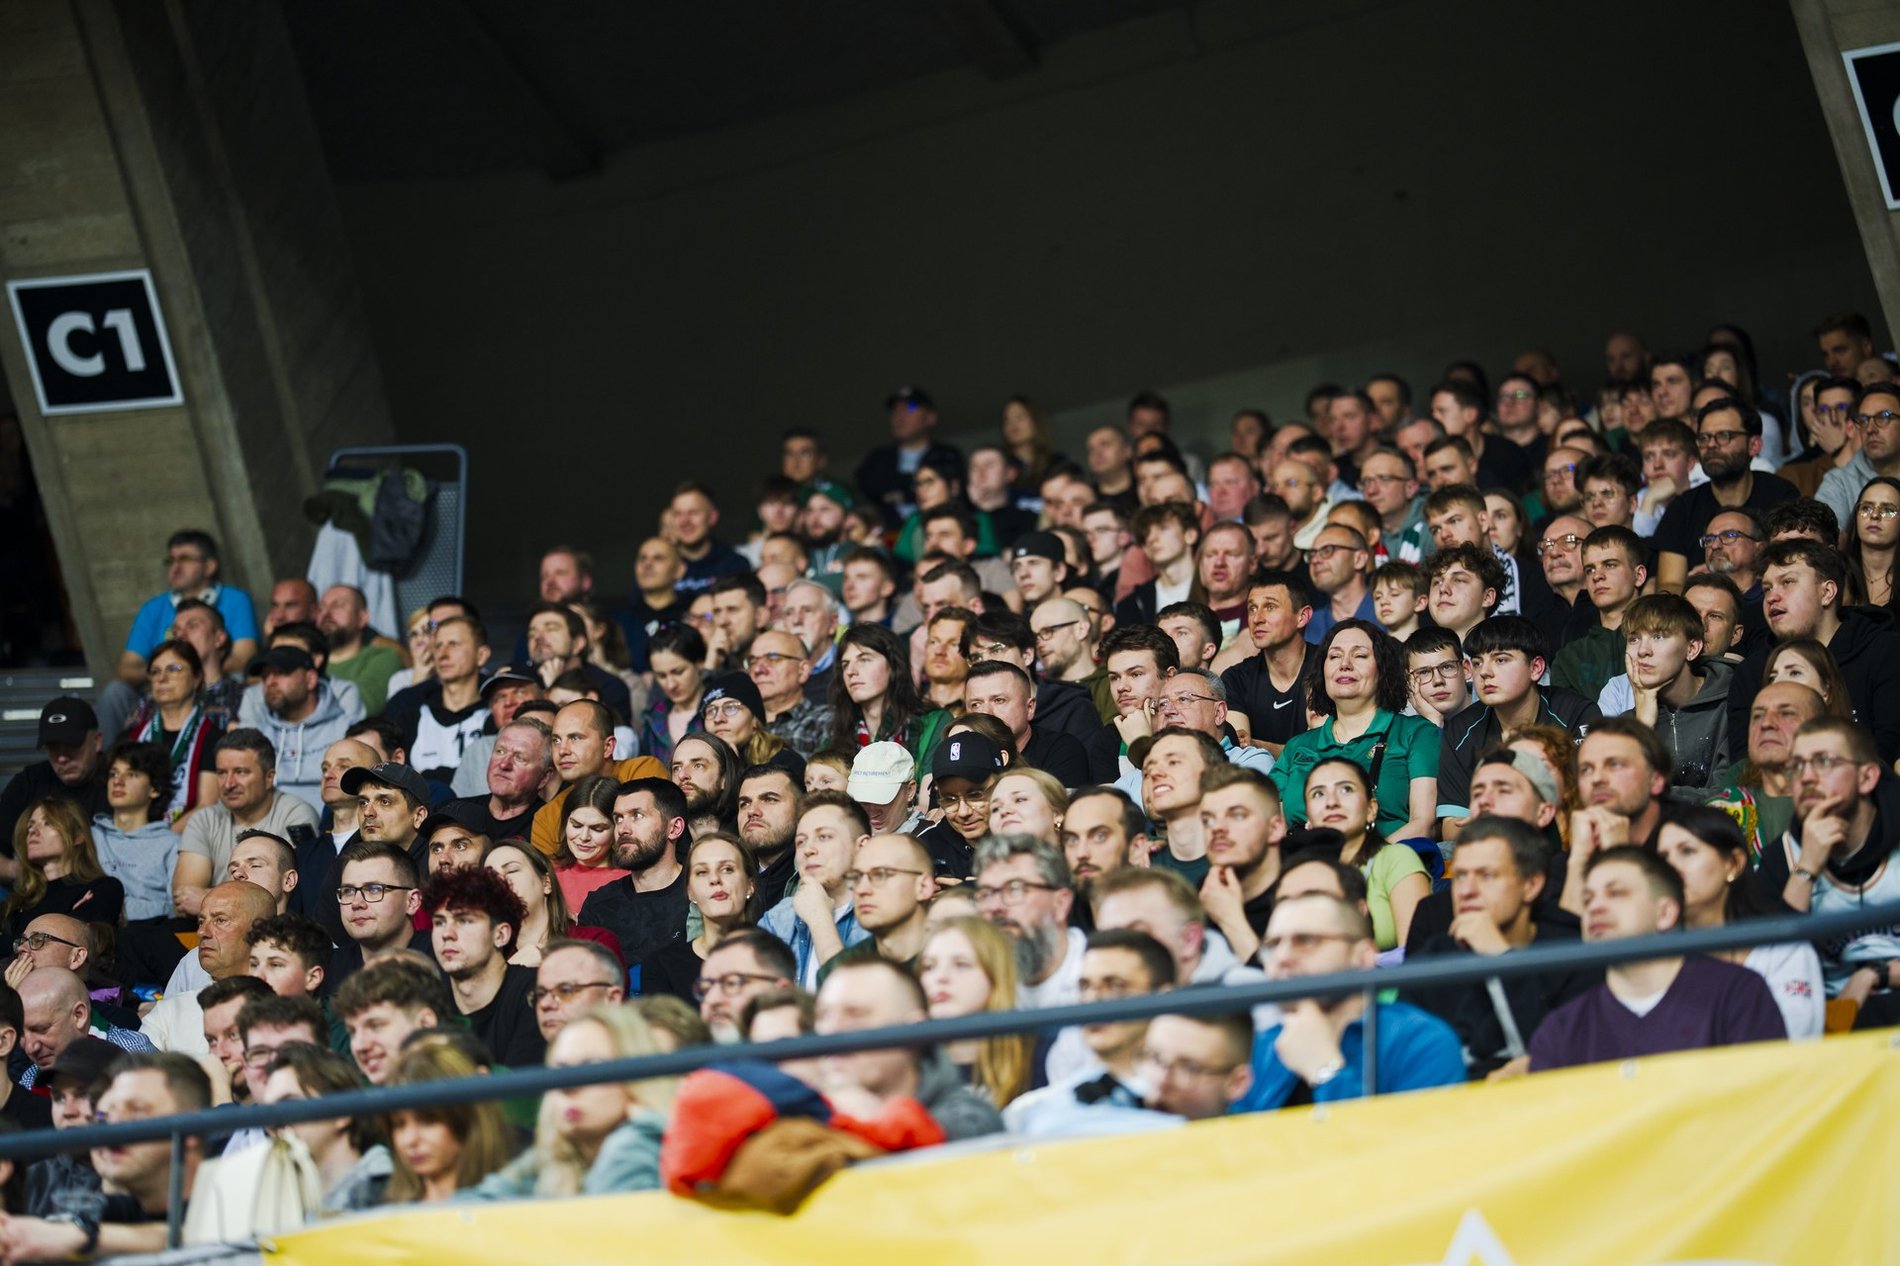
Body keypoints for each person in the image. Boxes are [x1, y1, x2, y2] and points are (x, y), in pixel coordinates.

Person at [1527, 846, 1785, 1070]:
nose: (1595, 907)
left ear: (1665, 913)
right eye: (1587, 899)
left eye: (1616, 893)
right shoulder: (1561, 1030)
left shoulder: (1737, 993)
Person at [1400, 816, 1598, 1076]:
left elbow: (1569, 1058)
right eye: (1460, 876)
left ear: (1531, 885)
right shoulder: (1432, 962)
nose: (1466, 890)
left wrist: (1501, 958)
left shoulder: (1574, 956)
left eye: (1487, 875)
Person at [1235, 893, 1464, 1110]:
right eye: (1272, 945)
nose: (1282, 957)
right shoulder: (1259, 1047)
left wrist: (1325, 1071)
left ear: (1363, 957)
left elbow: (1408, 1138)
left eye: (1306, 940)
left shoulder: (1420, 1042)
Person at [0, 1052, 213, 1262]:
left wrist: (84, 1238)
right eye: (104, 1115)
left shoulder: (225, 1199)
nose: (112, 1126)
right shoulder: (115, 1210)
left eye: (136, 1110)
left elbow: (206, 1235)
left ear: (191, 1129)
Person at [1762, 718, 1900, 1025]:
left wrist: (1874, 974)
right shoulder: (1780, 857)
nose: (1806, 777)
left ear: (1867, 777)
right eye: (1796, 766)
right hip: (1827, 1025)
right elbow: (1774, 969)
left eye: (1823, 761)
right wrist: (1807, 868)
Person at [463, 1006, 676, 1201]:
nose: (568, 1086)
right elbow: (473, 1209)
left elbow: (606, 1222)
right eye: (562, 1070)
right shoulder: (546, 1161)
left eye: (590, 1067)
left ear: (636, 1077)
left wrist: (639, 1132)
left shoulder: (664, 1153)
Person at [1656, 806, 1824, 1039]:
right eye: (1663, 858)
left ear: (1733, 864)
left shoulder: (1782, 950)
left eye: (1687, 851)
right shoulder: (1653, 952)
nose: (1671, 867)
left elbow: (1791, 1041)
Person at [1731, 539, 1900, 763]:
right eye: (1767, 588)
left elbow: (1889, 748)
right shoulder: (1750, 672)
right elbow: (1743, 765)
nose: (1771, 597)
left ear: (1827, 592)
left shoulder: (1884, 650)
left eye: (1788, 582)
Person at [1272, 620, 1437, 843]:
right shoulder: (1297, 746)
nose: (1345, 664)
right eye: (1334, 656)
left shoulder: (1417, 733)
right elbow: (1272, 827)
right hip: (1304, 859)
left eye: (1359, 655)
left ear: (1383, 670)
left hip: (1384, 859)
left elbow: (1424, 824)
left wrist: (1363, 859)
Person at [1004, 929, 1180, 1134]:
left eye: (1115, 986)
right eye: (1085, 986)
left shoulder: (1189, 1103)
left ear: (1163, 998)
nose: (1093, 1000)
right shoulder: (1029, 1113)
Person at [1436, 617, 1599, 835]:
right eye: (1477, 662)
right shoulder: (1460, 731)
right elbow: (1451, 828)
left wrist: (1499, 819)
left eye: (1500, 660)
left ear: (1536, 668)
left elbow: (1589, 802)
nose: (1484, 672)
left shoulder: (1575, 713)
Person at [811, 956, 1003, 1140]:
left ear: (914, 1030)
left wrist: (871, 1123)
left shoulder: (971, 1124)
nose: (831, 1029)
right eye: (823, 1015)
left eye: (857, 1014)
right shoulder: (805, 1114)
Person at [1654, 397, 1798, 593]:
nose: (1711, 445)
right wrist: (1700, 586)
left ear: (1754, 445)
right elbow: (1668, 586)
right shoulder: (1683, 508)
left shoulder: (1782, 496)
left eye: (1724, 435)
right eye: (1704, 438)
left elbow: (1796, 568)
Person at [172, 729, 318, 919]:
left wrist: (207, 898)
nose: (228, 784)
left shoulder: (297, 814)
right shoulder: (203, 819)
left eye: (240, 772)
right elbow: (184, 900)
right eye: (221, 773)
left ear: (269, 777)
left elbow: (290, 894)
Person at [1596, 594, 1734, 787]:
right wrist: (1643, 727)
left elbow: (1729, 795)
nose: (1643, 650)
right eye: (1634, 639)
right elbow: (1619, 793)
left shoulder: (1731, 705)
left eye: (1658, 636)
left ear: (1692, 649)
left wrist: (1652, 794)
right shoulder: (1627, 724)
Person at [916, 916, 1036, 1107]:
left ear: (995, 975)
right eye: (929, 967)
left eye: (961, 964)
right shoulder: (909, 1063)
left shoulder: (1036, 1055)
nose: (940, 977)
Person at [577, 778, 693, 974]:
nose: (623, 829)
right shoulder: (599, 904)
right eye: (618, 818)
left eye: (637, 816)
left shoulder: (699, 896)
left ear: (674, 829)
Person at [117, 529, 259, 689]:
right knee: (116, 691)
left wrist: (192, 669)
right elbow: (126, 669)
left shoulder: (236, 599)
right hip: (164, 687)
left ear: (209, 566)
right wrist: (169, 672)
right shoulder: (152, 608)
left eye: (184, 559)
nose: (175, 567)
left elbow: (243, 659)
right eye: (171, 560)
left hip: (218, 681)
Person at [381, 1041, 513, 1202]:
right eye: (399, 1124)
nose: (410, 1140)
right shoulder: (387, 1209)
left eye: (427, 1121)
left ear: (467, 1117)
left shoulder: (512, 1202)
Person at [533, 699, 667, 856]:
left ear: (608, 746)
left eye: (575, 738)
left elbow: (650, 847)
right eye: (556, 740)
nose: (562, 750)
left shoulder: (642, 770)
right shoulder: (546, 817)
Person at [0, 697, 111, 885]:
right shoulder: (29, 782)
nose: (62, 758)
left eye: (72, 746)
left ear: (97, 741)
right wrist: (19, 871)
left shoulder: (119, 781)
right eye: (53, 748)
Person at [638, 832, 757, 1001]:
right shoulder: (661, 966)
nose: (715, 879)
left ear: (750, 885)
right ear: (690, 892)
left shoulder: (776, 956)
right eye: (702, 872)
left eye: (727, 869)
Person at [118, 640, 221, 826]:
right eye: (155, 671)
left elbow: (207, 806)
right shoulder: (131, 738)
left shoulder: (214, 739)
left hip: (188, 837)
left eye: (173, 669)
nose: (162, 678)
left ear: (197, 678)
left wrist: (163, 838)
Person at [1195, 764, 1287, 964]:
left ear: (1274, 829)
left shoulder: (1308, 897)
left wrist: (1230, 920)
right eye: (1208, 820)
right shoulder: (1197, 899)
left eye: (1237, 815)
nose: (1217, 828)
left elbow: (1297, 984)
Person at [384, 614, 493, 782]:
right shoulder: (410, 716)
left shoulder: (496, 714)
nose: (442, 654)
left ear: (481, 655)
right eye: (438, 646)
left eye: (453, 644)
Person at [1219, 570, 1316, 757]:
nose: (1257, 619)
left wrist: (1258, 745)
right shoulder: (1236, 679)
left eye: (1270, 607)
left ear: (1302, 617)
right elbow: (1242, 753)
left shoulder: (1327, 668)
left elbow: (1325, 751)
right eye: (1252, 609)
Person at [244, 645, 354, 808]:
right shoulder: (258, 736)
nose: (270, 682)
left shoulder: (346, 731)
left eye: (280, 673)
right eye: (265, 676)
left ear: (310, 679)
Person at [826, 622, 951, 763]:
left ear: (893, 665)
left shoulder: (932, 724)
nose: (850, 671)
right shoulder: (836, 737)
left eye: (864, 660)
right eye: (845, 664)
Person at [1551, 526, 1649, 703]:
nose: (1597, 576)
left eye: (1610, 565)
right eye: (1590, 569)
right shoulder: (1569, 658)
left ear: (1639, 575)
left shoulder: (1662, 641)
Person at [3, 799, 123, 941]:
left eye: (47, 823)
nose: (32, 831)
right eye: (30, 825)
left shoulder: (103, 889)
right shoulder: (16, 902)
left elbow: (68, 943)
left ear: (77, 836)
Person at [19, 967, 156, 1089]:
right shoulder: (29, 1080)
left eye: (41, 1029)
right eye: (21, 1033)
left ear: (79, 1015)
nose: (30, 1048)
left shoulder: (133, 1060)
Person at [91, 742, 180, 923]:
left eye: (131, 774)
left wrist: (114, 908)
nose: (118, 781)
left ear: (155, 789)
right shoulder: (88, 837)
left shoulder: (173, 844)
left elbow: (176, 909)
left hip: (150, 934)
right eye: (113, 774)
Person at [335, 956, 454, 1084]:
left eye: (376, 1026)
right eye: (352, 1032)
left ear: (426, 1024)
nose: (360, 1046)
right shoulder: (351, 1094)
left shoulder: (467, 1086)